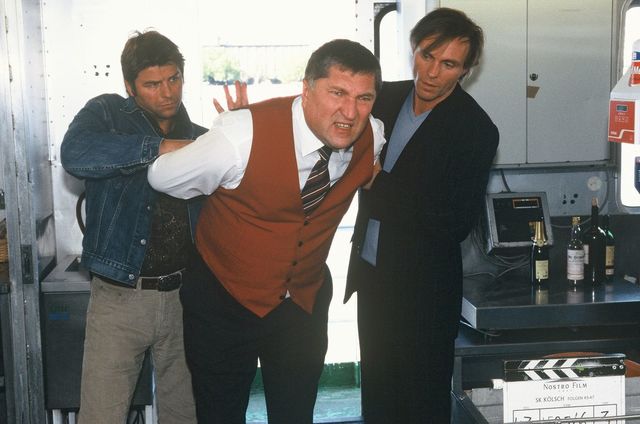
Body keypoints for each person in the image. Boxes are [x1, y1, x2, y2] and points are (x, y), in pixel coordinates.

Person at [146, 38, 385, 424]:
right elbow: (161, 177)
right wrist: (215, 162)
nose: (349, 112)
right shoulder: (240, 136)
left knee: (295, 414)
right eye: (337, 93)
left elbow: (368, 173)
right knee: (220, 415)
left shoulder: (372, 135)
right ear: (306, 89)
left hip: (301, 302)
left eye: (364, 98)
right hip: (223, 300)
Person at [60, 30, 241, 423]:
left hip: (185, 298)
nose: (167, 92)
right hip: (120, 297)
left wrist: (243, 133)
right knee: (101, 415)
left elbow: (242, 201)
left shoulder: (202, 138)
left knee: (185, 414)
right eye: (152, 84)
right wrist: (159, 147)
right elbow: (74, 153)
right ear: (130, 87)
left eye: (173, 79)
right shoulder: (107, 113)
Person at [343, 8, 499, 423]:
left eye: (448, 64)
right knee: (377, 400)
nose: (431, 72)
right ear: (413, 49)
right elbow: (329, 127)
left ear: (466, 70)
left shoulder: (475, 130)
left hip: (423, 296)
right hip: (372, 279)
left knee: (421, 407)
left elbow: (454, 222)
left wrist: (378, 182)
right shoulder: (383, 99)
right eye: (427, 55)